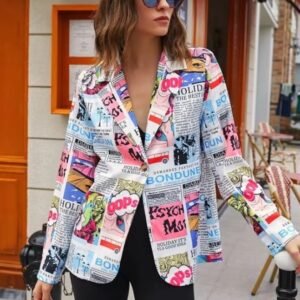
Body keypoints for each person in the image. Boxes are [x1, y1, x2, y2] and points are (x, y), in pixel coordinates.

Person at [33, 0, 300, 299]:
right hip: (95, 243)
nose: (164, 5)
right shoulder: (93, 82)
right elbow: (73, 175)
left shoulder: (199, 70)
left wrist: (280, 232)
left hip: (170, 248)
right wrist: (50, 266)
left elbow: (228, 163)